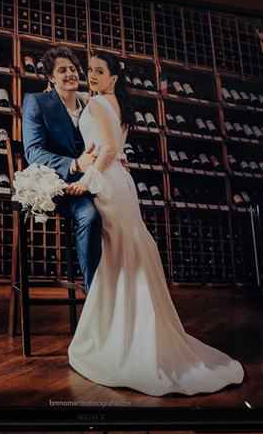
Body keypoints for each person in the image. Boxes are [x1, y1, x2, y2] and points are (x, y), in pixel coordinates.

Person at [62, 50, 243, 396]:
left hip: (108, 183)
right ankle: (136, 333)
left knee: (118, 259)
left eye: (99, 72)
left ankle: (121, 341)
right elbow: (119, 149)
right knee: (127, 255)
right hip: (122, 185)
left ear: (114, 78)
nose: (92, 77)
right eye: (90, 71)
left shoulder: (99, 104)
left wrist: (87, 180)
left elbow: (110, 150)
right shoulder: (117, 105)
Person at [21, 46, 103, 293]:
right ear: (51, 77)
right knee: (90, 217)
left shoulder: (91, 103)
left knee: (125, 219)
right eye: (62, 70)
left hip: (95, 182)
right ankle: (95, 298)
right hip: (61, 187)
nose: (70, 74)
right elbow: (33, 152)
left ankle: (121, 300)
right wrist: (74, 164)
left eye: (72, 68)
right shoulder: (37, 102)